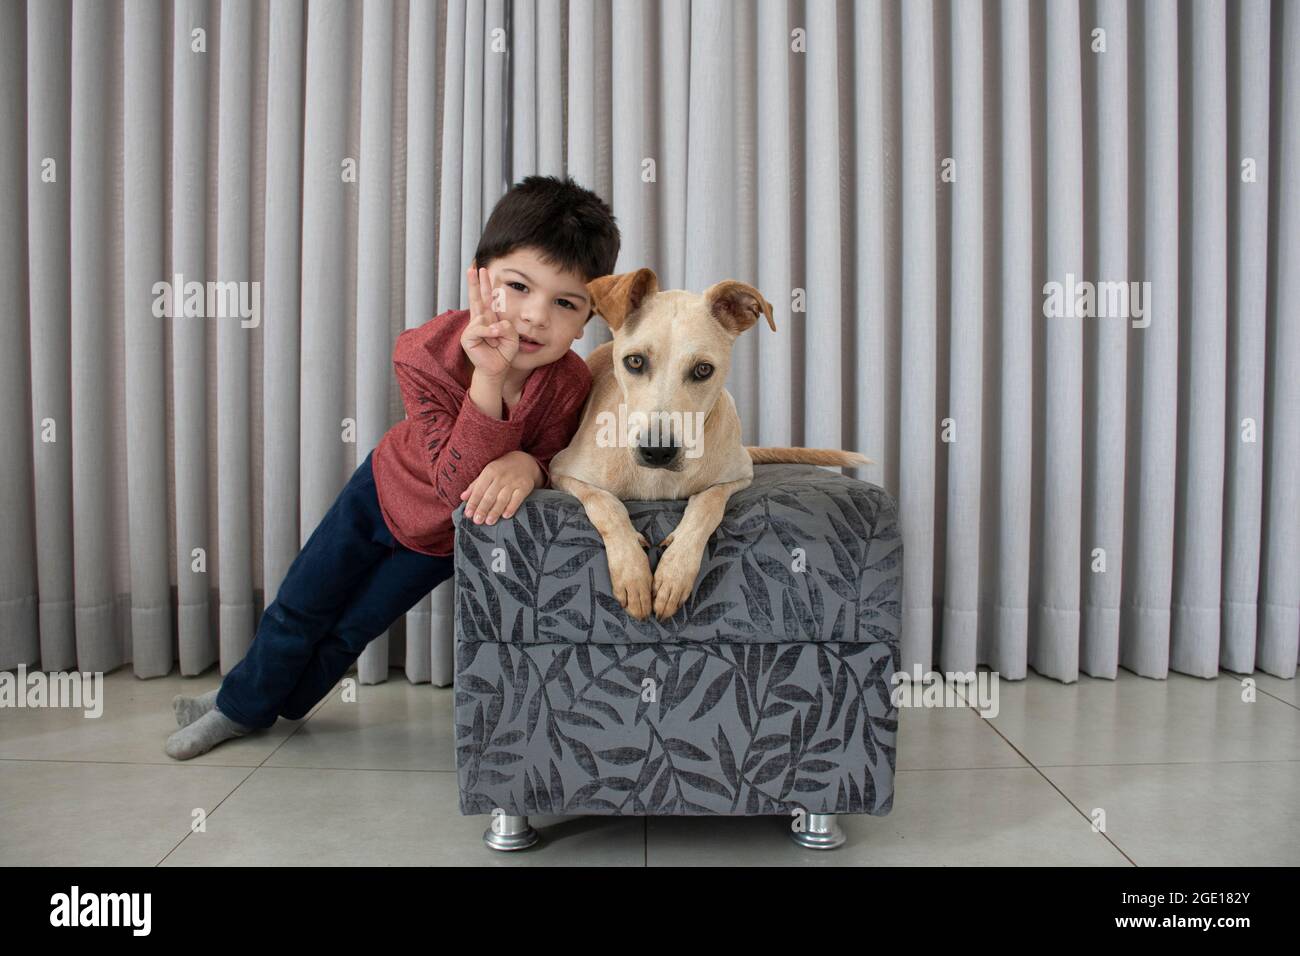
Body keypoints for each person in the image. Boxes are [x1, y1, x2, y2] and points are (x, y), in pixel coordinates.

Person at [165, 175, 620, 759]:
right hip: (379, 492)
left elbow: (545, 465)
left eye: (564, 303)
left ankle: (257, 700)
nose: (535, 317)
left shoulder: (568, 385)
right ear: (480, 279)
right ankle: (238, 706)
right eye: (518, 287)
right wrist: (487, 378)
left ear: (585, 322)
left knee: (350, 630)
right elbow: (451, 477)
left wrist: (528, 466)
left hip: (436, 540)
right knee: (301, 605)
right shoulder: (424, 351)